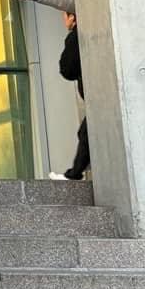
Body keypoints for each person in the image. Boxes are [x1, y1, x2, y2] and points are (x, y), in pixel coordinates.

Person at [50, 13, 90, 181]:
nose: (64, 21)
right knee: (85, 132)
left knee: (87, 133)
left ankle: (75, 174)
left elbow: (67, 69)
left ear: (72, 18)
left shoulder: (77, 36)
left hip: (101, 97)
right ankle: (78, 169)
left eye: (65, 17)